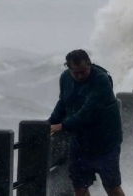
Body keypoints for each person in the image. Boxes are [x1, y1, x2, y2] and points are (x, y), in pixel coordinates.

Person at [48, 49, 125, 196]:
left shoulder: (101, 80)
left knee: (112, 187)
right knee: (79, 187)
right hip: (80, 142)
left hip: (106, 142)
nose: (80, 76)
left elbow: (89, 111)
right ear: (68, 68)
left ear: (90, 64)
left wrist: (62, 126)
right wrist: (49, 123)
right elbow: (63, 104)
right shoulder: (65, 78)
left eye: (83, 71)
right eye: (75, 73)